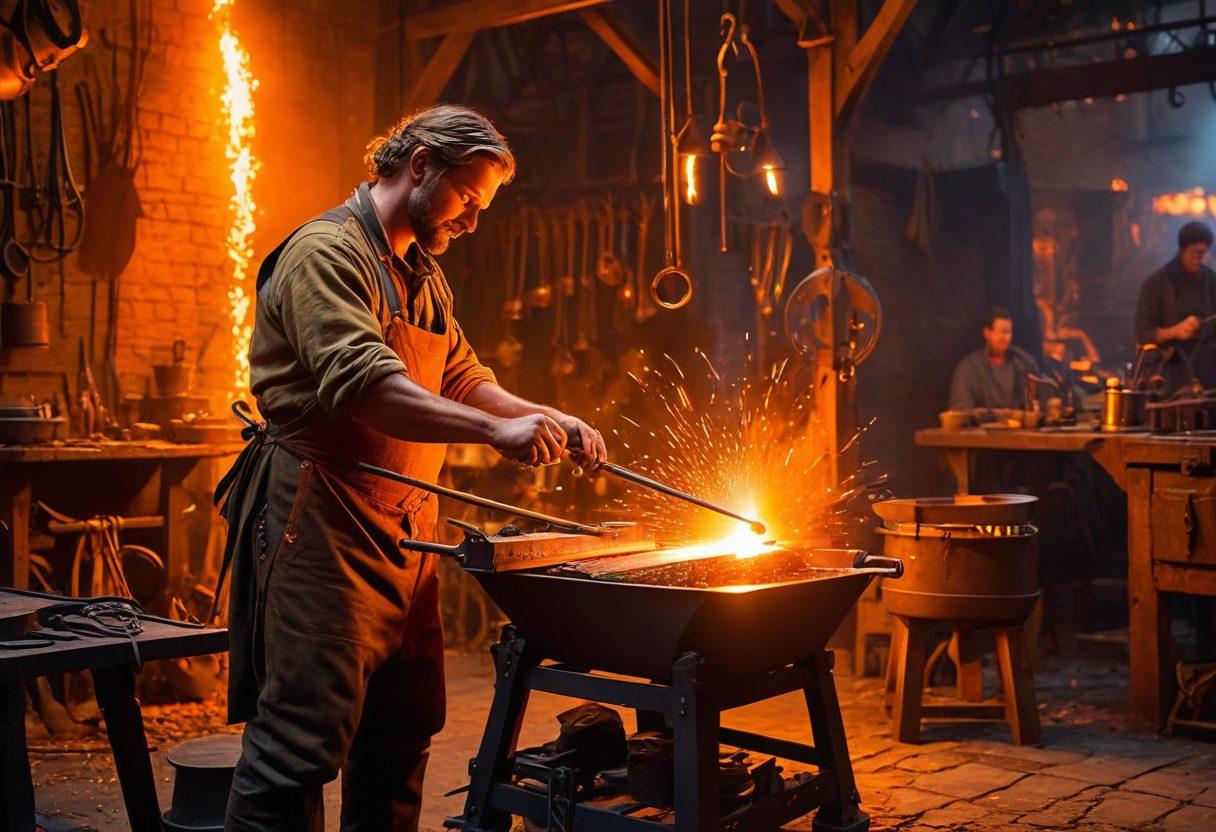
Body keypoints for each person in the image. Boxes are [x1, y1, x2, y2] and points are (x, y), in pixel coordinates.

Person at [215, 105, 608, 832]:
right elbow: (365, 384)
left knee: (402, 732)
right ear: (420, 164)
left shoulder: (423, 277)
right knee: (298, 748)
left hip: (405, 537)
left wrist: (544, 415)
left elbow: (459, 376)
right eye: (467, 199)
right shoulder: (326, 255)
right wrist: (498, 431)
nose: (471, 221)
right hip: (322, 529)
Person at [1134, 221, 1216, 393]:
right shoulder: (1156, 284)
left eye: (1204, 253)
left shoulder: (1211, 281)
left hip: (1208, 377)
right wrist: (1176, 331)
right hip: (1170, 378)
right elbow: (1143, 334)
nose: (1200, 258)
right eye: (1196, 253)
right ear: (1183, 250)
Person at [947, 306, 1040, 411]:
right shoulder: (969, 367)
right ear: (987, 332)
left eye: (1008, 332)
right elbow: (960, 409)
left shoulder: (1022, 363)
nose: (1004, 338)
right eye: (1000, 332)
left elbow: (1035, 404)